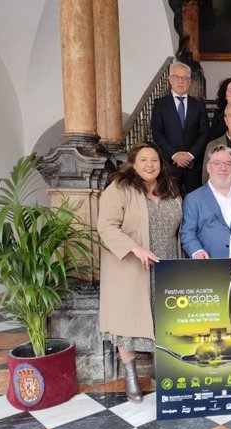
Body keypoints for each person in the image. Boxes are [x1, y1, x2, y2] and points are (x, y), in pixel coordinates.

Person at [98, 141, 181, 403]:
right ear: (133, 163)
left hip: (166, 264)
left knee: (163, 318)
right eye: (144, 159)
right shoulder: (120, 188)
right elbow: (107, 226)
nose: (149, 165)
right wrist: (135, 249)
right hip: (131, 267)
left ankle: (161, 371)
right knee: (128, 322)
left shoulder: (170, 189)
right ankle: (130, 374)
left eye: (154, 160)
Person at [151, 61, 210, 195]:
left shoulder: (198, 104)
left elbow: (204, 133)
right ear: (170, 79)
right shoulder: (160, 104)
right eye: (177, 77)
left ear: (189, 81)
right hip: (169, 165)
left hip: (194, 165)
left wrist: (190, 155)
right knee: (168, 201)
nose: (181, 81)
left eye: (185, 78)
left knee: (194, 204)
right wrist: (174, 155)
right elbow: (157, 133)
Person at [182, 145, 231, 259]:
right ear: (208, 167)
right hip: (210, 267)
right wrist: (197, 251)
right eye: (217, 163)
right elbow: (187, 232)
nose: (223, 168)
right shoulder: (193, 199)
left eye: (228, 164)